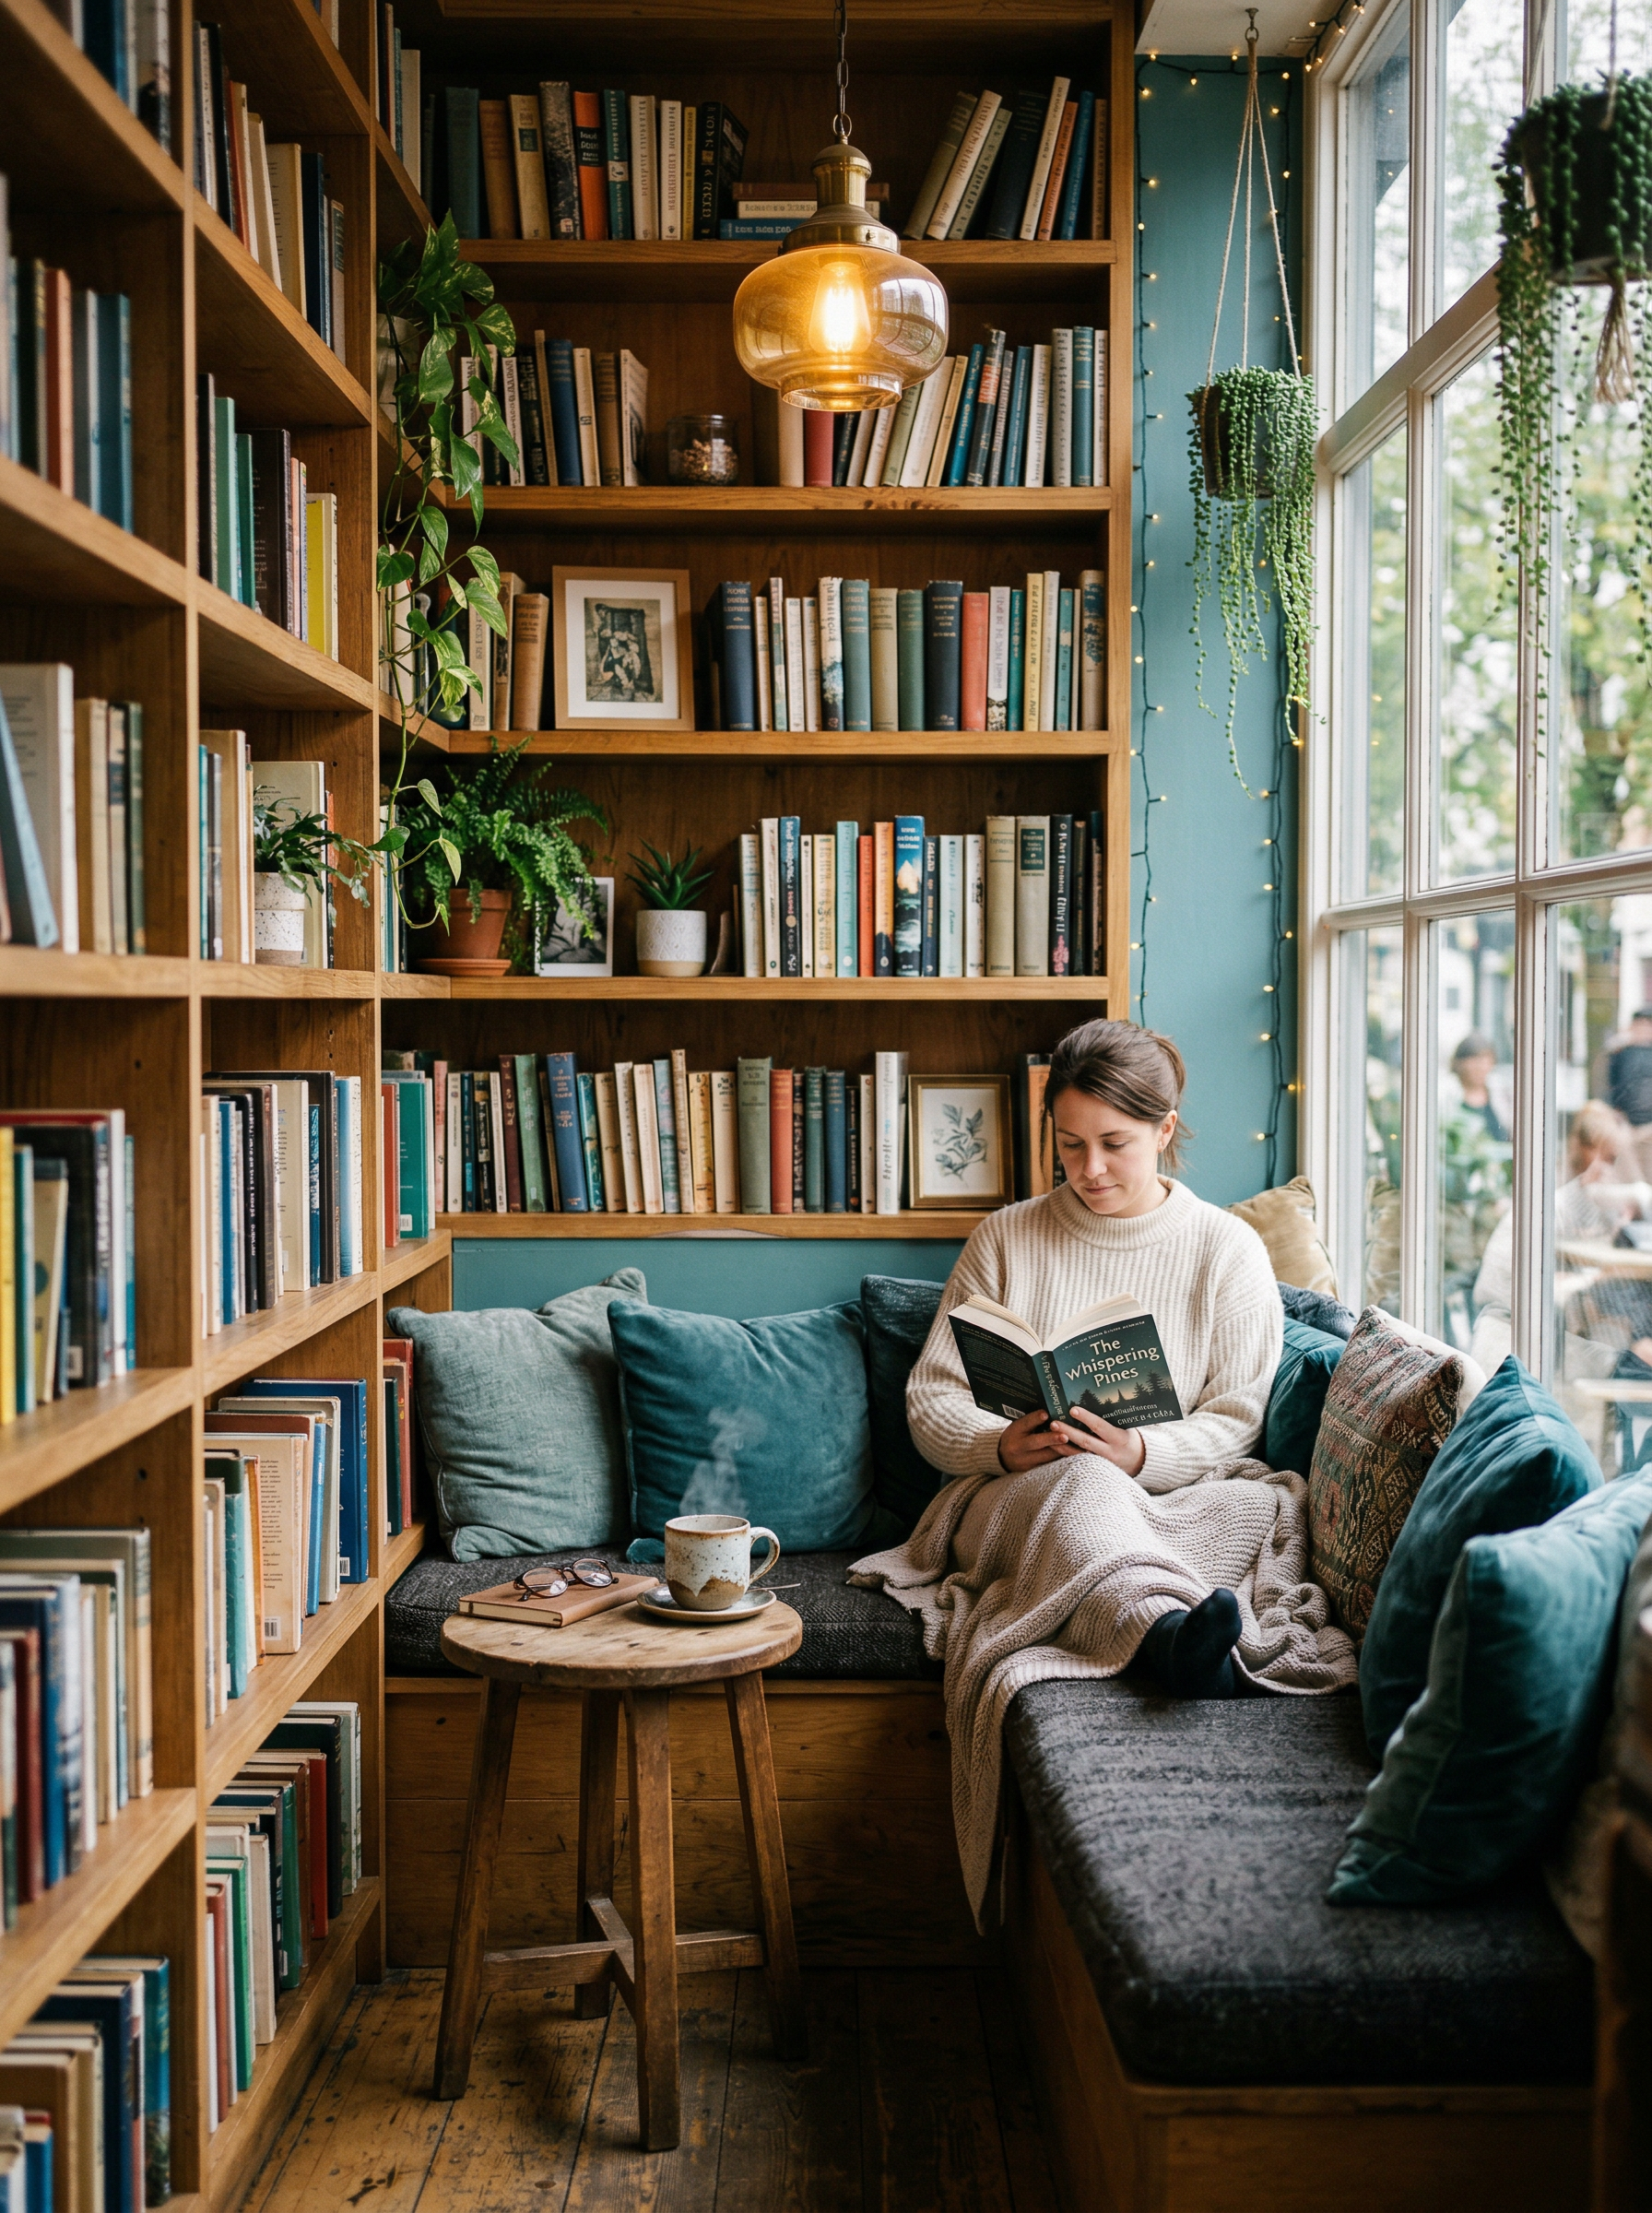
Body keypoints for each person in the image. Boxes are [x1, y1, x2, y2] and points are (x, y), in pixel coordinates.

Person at [850, 1019, 1355, 1922]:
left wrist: (1141, 1454)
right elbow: (932, 1400)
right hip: (1019, 1490)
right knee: (1083, 1485)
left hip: (1171, 1492)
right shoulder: (1007, 1239)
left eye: (1114, 1144)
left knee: (1239, 1506)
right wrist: (1001, 1445)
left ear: (1165, 1129)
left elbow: (1238, 1417)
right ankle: (1171, 1640)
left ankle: (1162, 1624)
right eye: (1069, 1144)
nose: (1088, 1170)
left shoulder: (1223, 1249)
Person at [1608, 1010, 1652, 1183]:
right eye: (1638, 1025)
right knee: (1629, 1173)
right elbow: (1612, 1084)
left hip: (1649, 1125)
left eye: (1646, 1025)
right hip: (1626, 1124)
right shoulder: (1621, 1053)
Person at [1449, 1033, 1509, 1143]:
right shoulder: (1448, 1097)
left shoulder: (1501, 1094)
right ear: (1459, 1063)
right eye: (1475, 1061)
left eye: (1486, 1061)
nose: (1480, 1067)